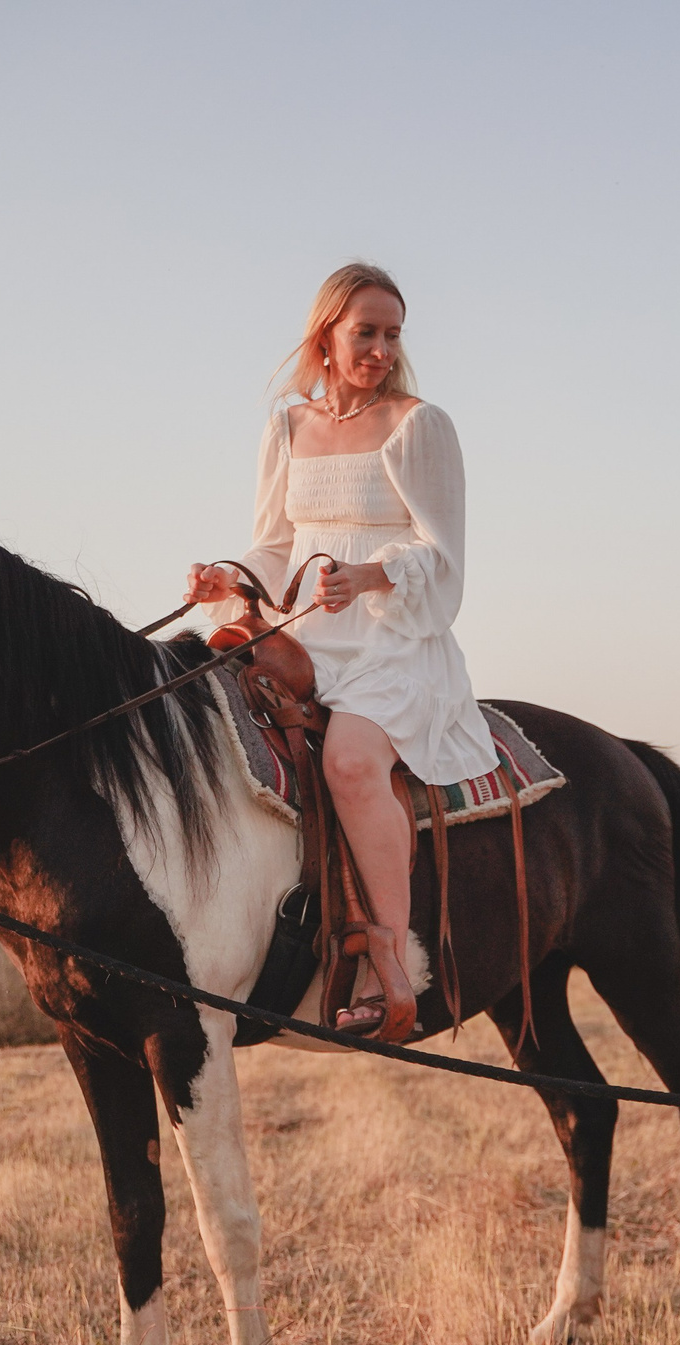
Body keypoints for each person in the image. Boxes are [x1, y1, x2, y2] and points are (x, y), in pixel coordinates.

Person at [187, 263, 496, 1039]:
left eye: (393, 334)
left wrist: (368, 575)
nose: (382, 349)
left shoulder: (418, 425)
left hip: (394, 641)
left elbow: (444, 555)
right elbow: (275, 544)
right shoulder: (286, 427)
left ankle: (393, 959)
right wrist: (229, 574)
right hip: (301, 635)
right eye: (367, 332)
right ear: (325, 334)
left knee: (352, 762)